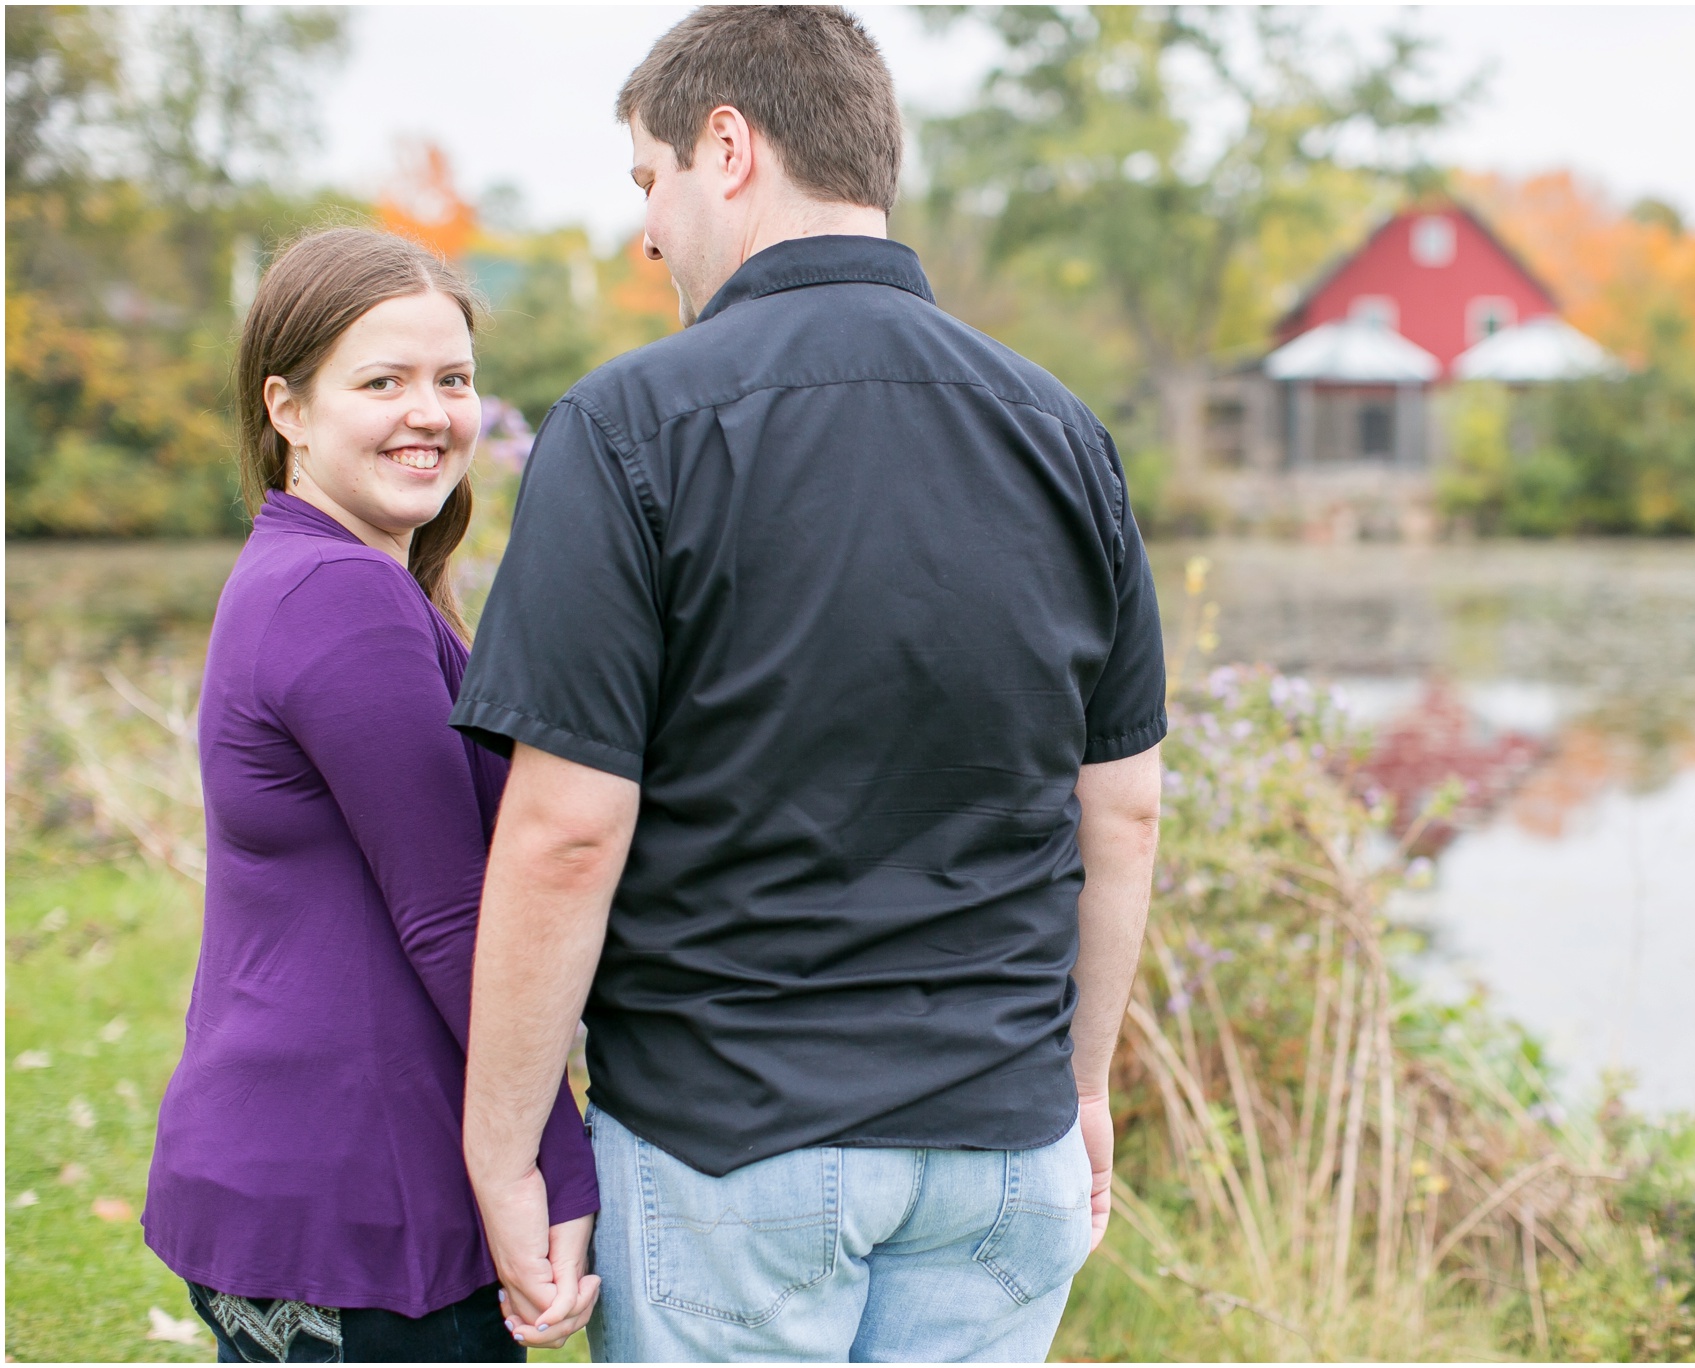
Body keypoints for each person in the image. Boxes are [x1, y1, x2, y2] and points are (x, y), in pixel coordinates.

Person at [454, 5, 1167, 1362]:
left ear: (727, 147)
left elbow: (565, 831)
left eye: (647, 181)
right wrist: (1081, 1091)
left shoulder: (626, 428)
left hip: (733, 1152)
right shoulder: (1065, 434)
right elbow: (1121, 812)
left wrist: (504, 1147)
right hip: (1003, 1156)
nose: (647, 232)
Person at [142, 227, 601, 1363]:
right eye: (381, 381)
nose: (431, 413)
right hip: (349, 1197)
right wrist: (555, 1159)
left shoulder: (322, 572)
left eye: (452, 379)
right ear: (287, 408)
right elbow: (450, 915)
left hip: (304, 1173)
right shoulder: (338, 597)